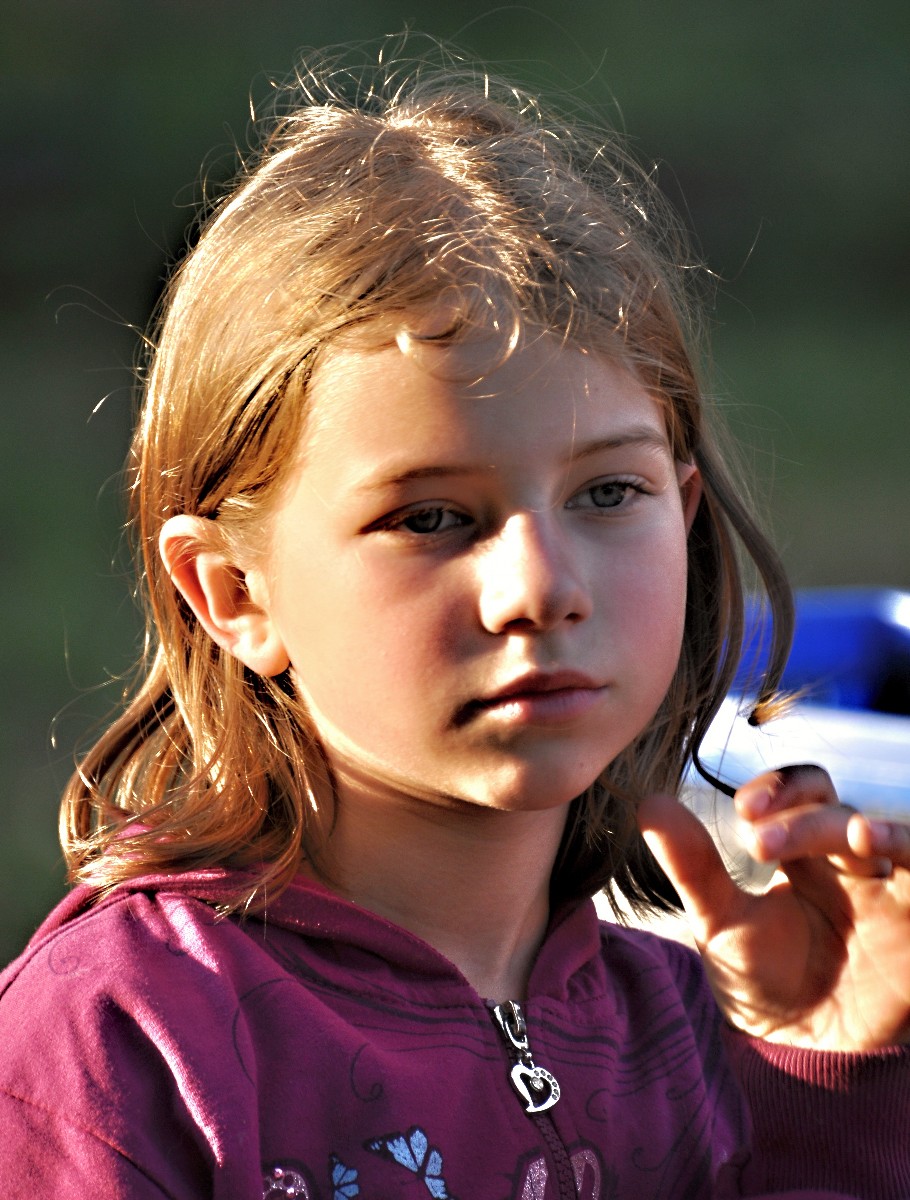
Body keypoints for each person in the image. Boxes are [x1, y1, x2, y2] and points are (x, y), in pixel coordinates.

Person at [1, 47, 908, 1200]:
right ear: (232, 592)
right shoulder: (120, 1047)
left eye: (607, 493)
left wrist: (824, 1088)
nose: (540, 586)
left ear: (681, 517)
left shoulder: (695, 1020)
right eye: (431, 517)